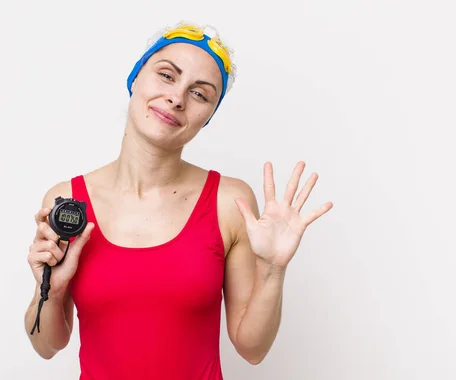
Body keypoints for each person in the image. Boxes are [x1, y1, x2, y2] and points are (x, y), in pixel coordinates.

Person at [24, 21, 333, 379]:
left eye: (200, 94)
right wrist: (51, 285)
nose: (177, 98)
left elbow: (252, 349)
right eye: (167, 76)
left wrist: (273, 269)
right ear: (135, 78)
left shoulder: (230, 202)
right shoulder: (68, 203)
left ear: (207, 117)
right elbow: (46, 345)